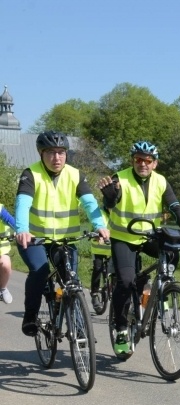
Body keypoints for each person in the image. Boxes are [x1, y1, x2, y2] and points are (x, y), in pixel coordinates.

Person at [99, 141, 180, 356]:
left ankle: (162, 290)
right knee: (126, 281)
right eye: (138, 159)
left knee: (172, 252)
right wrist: (109, 197)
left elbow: (174, 206)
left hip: (149, 236)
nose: (143, 164)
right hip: (124, 238)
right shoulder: (120, 179)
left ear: (155, 163)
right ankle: (121, 329)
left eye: (148, 160)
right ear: (133, 161)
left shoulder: (161, 181)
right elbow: (110, 202)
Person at [14, 131, 110, 335]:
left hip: (65, 240)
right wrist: (22, 230)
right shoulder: (30, 174)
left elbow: (89, 202)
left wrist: (99, 225)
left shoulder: (75, 175)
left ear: (66, 154)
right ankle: (30, 315)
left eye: (61, 152)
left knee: (71, 281)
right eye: (50, 152)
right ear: (41, 153)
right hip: (34, 239)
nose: (56, 158)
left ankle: (79, 329)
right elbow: (23, 204)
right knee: (40, 271)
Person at [89, 209, 111, 313]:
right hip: (98, 249)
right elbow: (94, 227)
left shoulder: (119, 213)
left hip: (112, 250)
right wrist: (97, 235)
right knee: (98, 268)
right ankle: (94, 294)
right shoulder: (100, 213)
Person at [0, 203, 16, 304]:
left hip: (1, 249)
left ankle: (3, 288)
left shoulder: (0, 209)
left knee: (6, 265)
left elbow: (12, 222)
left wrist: (20, 231)